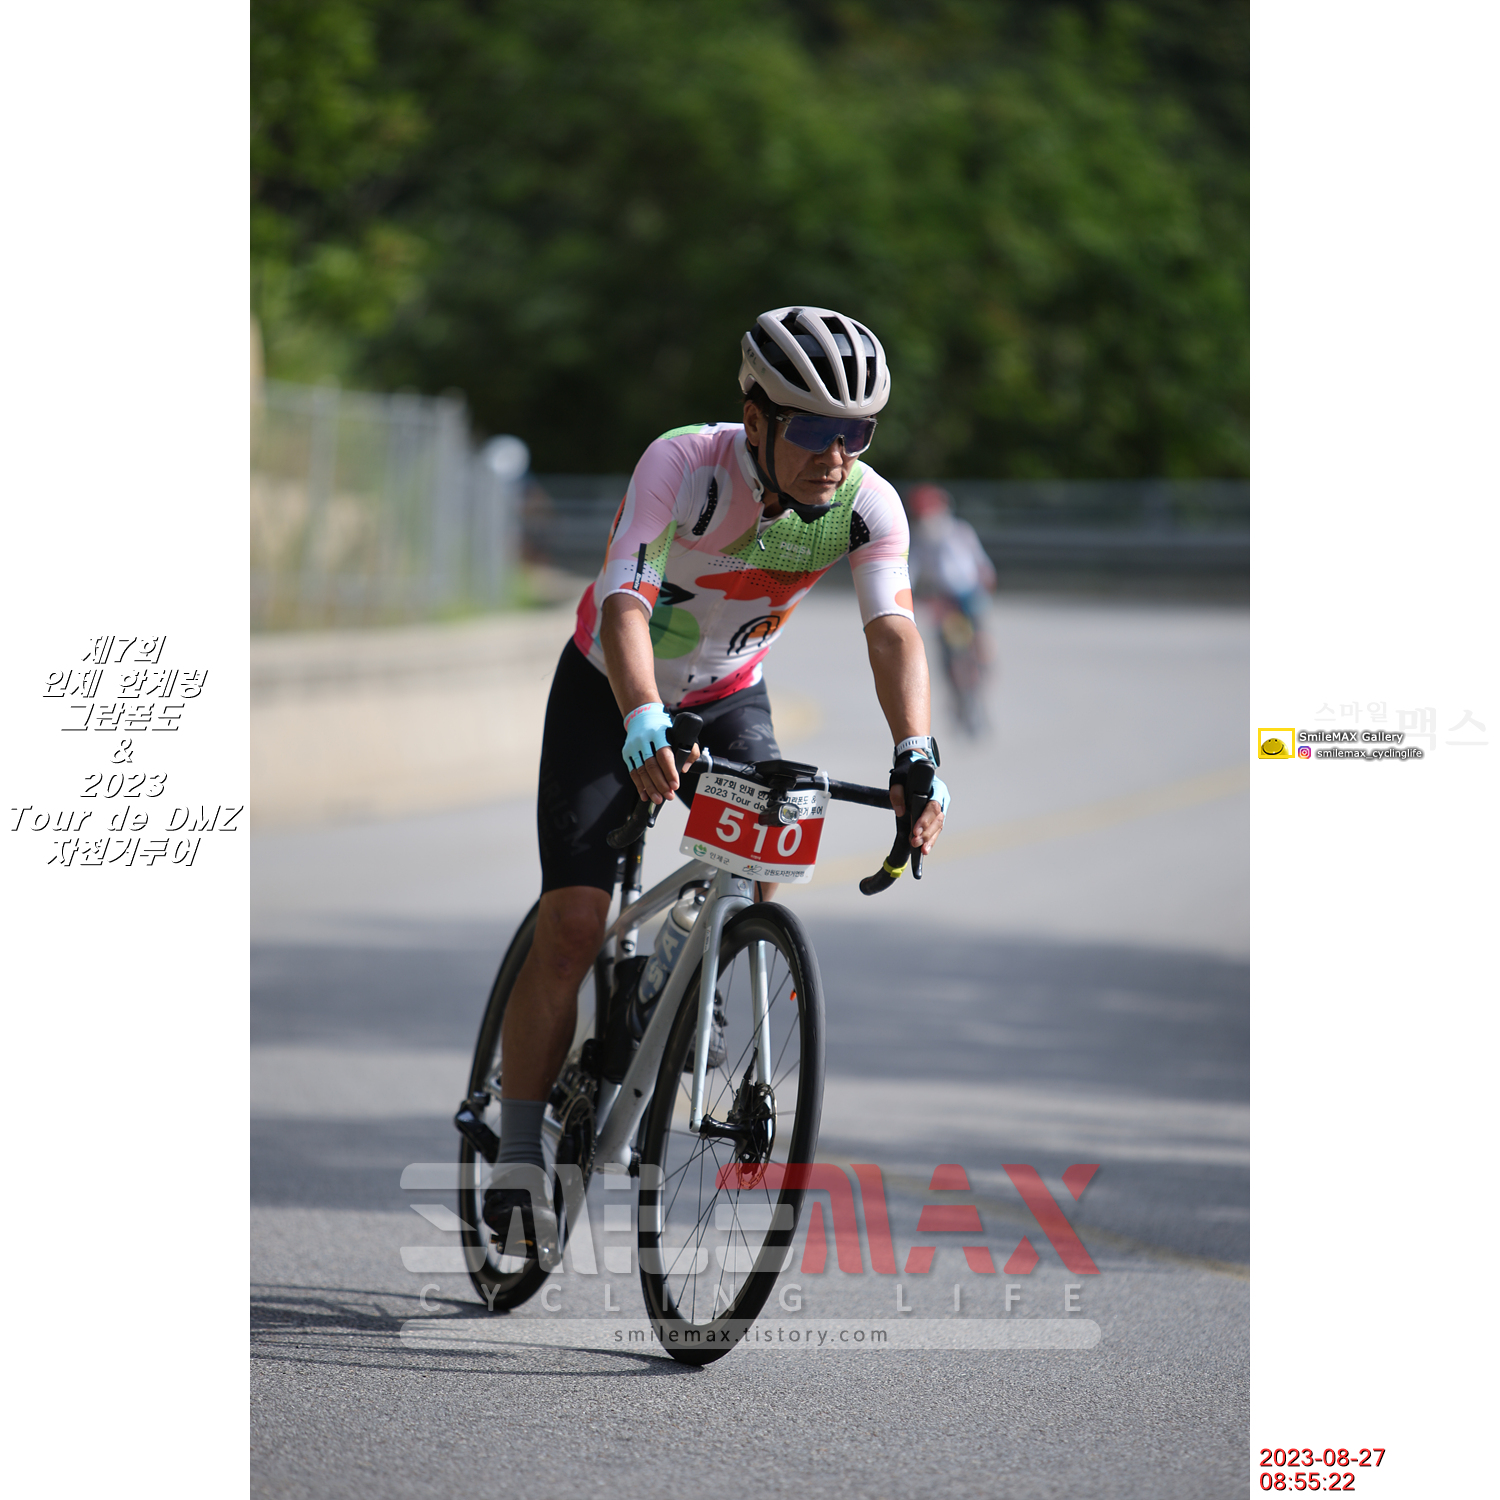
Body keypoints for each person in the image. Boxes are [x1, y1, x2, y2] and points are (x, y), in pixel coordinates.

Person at [482, 306, 950, 1261]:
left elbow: (893, 629)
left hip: (731, 692)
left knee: (766, 860)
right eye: (813, 428)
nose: (835, 455)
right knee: (573, 925)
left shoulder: (867, 506)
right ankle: (521, 1149)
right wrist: (641, 717)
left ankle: (707, 966)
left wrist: (916, 753)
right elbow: (626, 597)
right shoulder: (684, 465)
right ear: (756, 418)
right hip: (610, 687)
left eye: (857, 432)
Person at [906, 484, 997, 733]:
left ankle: (982, 669)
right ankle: (956, 690)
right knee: (947, 649)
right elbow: (911, 569)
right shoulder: (920, 540)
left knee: (980, 639)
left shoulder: (959, 531)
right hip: (942, 599)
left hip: (968, 593)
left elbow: (980, 562)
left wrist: (985, 581)